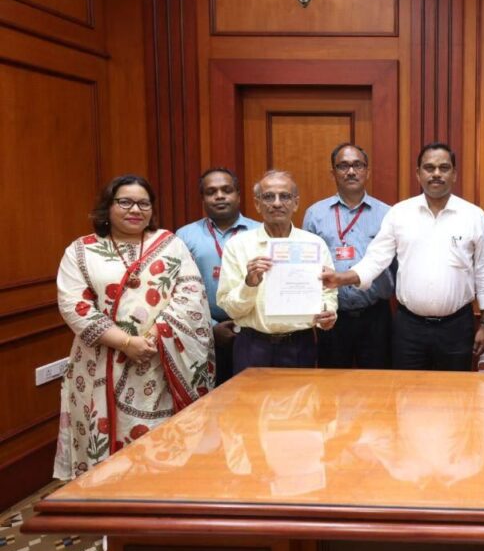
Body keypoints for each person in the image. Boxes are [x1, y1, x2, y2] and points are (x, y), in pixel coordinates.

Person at [54, 175, 214, 479]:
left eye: (144, 203)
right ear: (108, 206)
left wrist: (150, 339)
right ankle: (105, 500)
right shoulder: (82, 250)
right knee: (102, 441)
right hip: (100, 363)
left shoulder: (171, 244)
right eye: (125, 202)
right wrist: (126, 343)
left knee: (161, 443)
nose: (136, 210)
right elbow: (75, 305)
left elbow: (191, 295)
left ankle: (158, 497)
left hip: (159, 361)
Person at [322, 143, 484, 371]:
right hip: (409, 329)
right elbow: (376, 259)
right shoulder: (400, 213)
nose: (436, 174)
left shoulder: (474, 216)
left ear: (454, 174)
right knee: (407, 389)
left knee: (454, 390)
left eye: (444, 168)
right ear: (418, 174)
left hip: (456, 327)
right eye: (429, 168)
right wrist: (342, 278)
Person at [217, 170, 338, 372]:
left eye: (285, 196)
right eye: (268, 197)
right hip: (252, 345)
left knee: (302, 394)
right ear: (257, 204)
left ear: (296, 203)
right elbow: (230, 309)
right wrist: (249, 284)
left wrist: (328, 314)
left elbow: (328, 293)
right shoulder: (238, 245)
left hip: (300, 344)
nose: (276, 203)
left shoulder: (314, 244)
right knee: (249, 394)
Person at [303, 143, 394, 369]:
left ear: (367, 171)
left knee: (377, 382)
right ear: (333, 172)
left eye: (357, 165)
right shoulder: (315, 214)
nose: (351, 171)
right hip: (333, 317)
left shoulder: (388, 214)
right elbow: (308, 266)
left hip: (376, 316)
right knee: (332, 383)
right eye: (343, 166)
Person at [176, 168, 259, 385]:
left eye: (226, 190)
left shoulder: (260, 232)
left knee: (251, 393)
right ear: (203, 198)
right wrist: (211, 326)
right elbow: (178, 291)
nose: (219, 196)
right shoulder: (185, 236)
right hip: (202, 332)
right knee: (211, 397)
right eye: (211, 192)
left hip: (253, 330)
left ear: (238, 195)